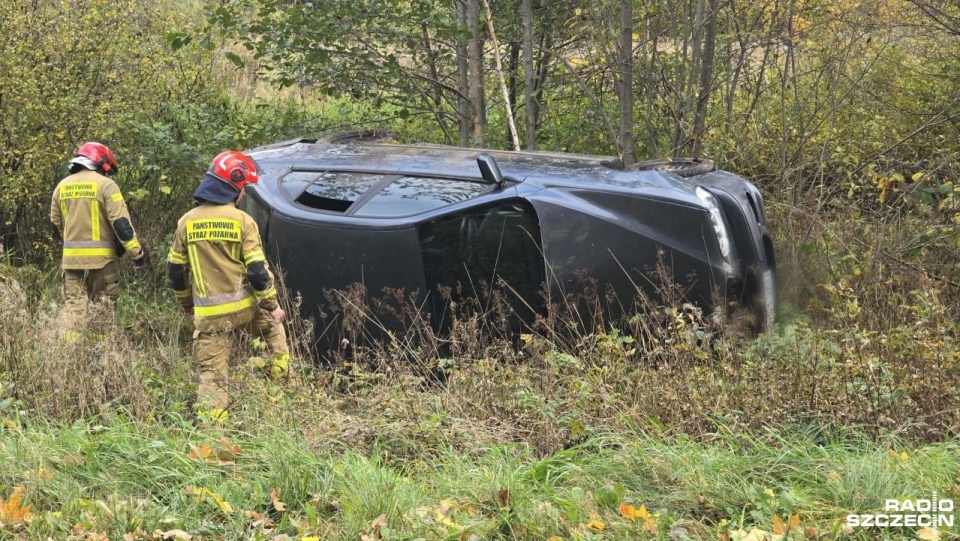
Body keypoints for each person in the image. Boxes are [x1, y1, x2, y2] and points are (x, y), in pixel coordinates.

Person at [166, 150, 289, 424]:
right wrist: (273, 306)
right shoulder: (243, 221)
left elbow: (175, 269)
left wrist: (186, 302)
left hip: (209, 318)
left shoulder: (187, 221)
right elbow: (257, 271)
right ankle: (279, 391)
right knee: (273, 328)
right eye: (243, 188)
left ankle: (212, 437)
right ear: (233, 187)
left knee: (212, 377)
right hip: (245, 311)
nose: (244, 194)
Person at [50, 142, 146, 341]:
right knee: (103, 310)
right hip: (102, 262)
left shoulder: (61, 186)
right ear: (102, 164)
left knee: (74, 313)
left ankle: (70, 357)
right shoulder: (106, 185)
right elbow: (121, 224)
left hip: (71, 262)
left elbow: (55, 225)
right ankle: (100, 355)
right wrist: (136, 254)